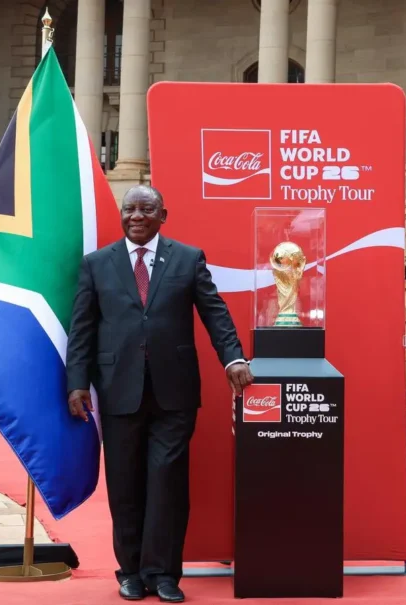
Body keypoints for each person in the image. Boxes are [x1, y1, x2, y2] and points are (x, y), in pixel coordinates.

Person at [66, 185, 254, 602]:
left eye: (146, 209)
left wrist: (233, 358)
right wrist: (77, 381)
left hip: (175, 392)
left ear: (163, 215)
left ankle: (165, 573)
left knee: (167, 482)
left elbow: (215, 312)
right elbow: (82, 327)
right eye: (129, 208)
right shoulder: (97, 264)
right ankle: (130, 571)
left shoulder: (188, 258)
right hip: (119, 391)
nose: (136, 215)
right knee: (126, 484)